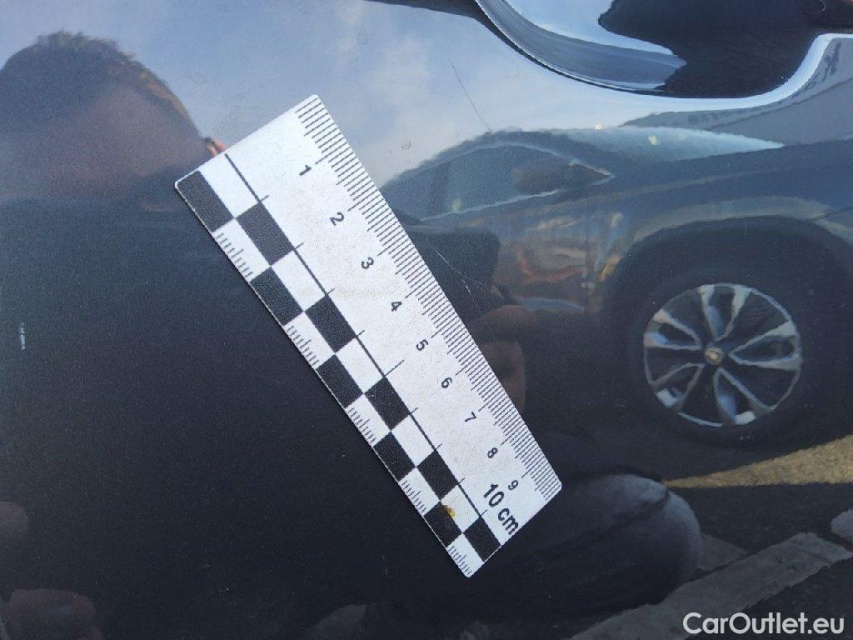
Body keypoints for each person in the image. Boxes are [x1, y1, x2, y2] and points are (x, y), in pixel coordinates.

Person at [0, 32, 701, 639]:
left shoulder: (310, 229)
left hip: (357, 508)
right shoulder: (20, 330)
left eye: (169, 190)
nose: (133, 239)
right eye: (62, 232)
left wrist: (503, 379)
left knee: (642, 528)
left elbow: (509, 334)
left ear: (218, 157)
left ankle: (406, 619)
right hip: (177, 565)